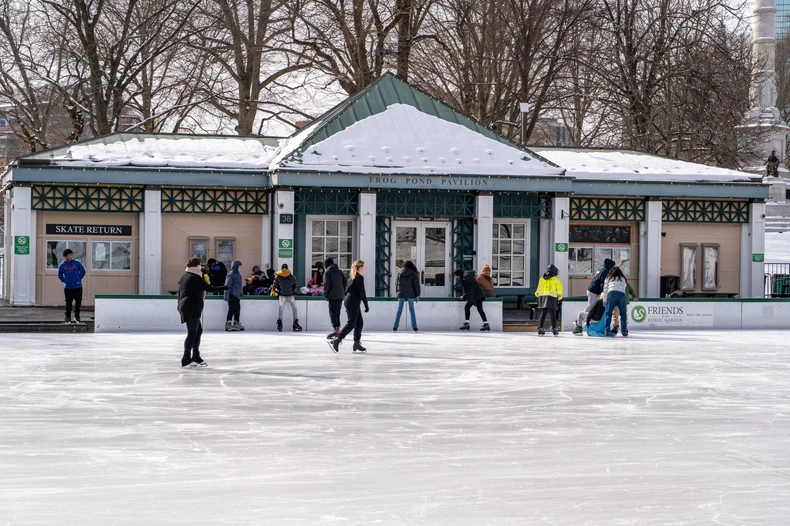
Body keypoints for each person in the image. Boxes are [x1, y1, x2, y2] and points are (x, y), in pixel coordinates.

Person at [177, 257, 227, 368]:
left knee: (198, 331)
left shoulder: (185, 276)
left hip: (188, 307)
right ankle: (186, 359)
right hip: (191, 307)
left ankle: (195, 356)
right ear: (196, 266)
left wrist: (179, 306)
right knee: (192, 332)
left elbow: (179, 293)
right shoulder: (194, 277)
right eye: (200, 265)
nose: (201, 267)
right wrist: (226, 287)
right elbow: (209, 288)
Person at [329, 260, 369, 353]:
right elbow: (362, 293)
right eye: (364, 266)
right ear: (360, 267)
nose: (365, 268)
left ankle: (356, 342)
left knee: (359, 323)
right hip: (353, 301)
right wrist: (366, 304)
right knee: (352, 323)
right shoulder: (359, 278)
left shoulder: (352, 277)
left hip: (351, 300)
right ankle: (337, 340)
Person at [574, 258, 615, 335]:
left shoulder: (602, 269)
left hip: (591, 290)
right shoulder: (605, 271)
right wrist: (601, 293)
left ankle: (578, 321)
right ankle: (578, 322)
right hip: (593, 291)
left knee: (590, 307)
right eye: (612, 266)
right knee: (591, 307)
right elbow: (602, 283)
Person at [58, 248, 87, 324]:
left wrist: (79, 278)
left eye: (71, 255)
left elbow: (83, 271)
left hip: (78, 286)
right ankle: (68, 317)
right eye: (69, 256)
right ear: (65, 256)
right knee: (68, 302)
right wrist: (65, 281)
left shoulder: (77, 263)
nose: (70, 257)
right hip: (68, 287)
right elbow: (60, 275)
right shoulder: (62, 265)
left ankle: (77, 315)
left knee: (78, 300)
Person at [535, 264, 564, 336]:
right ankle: (554, 329)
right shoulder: (556, 279)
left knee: (543, 314)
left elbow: (538, 290)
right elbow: (559, 290)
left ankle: (541, 328)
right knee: (552, 315)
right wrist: (560, 298)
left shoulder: (541, 279)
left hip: (542, 297)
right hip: (552, 298)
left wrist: (538, 296)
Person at [323, 257, 347, 339]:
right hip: (340, 295)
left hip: (332, 296)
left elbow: (327, 285)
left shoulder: (328, 272)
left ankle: (336, 329)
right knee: (337, 312)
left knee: (333, 313)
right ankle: (337, 328)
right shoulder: (339, 271)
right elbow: (345, 282)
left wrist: (325, 294)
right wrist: (342, 291)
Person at [393, 260, 420, 332]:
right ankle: (414, 326)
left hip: (401, 293)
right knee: (412, 310)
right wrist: (417, 294)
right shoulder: (413, 273)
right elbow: (416, 285)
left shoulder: (400, 272)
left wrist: (397, 293)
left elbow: (397, 284)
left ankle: (395, 326)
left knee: (399, 309)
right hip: (411, 294)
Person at [274, 263, 301, 331]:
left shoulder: (292, 277)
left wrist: (293, 291)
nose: (284, 270)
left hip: (290, 295)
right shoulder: (278, 277)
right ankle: (280, 322)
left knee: (294, 307)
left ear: (287, 269)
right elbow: (275, 286)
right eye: (283, 269)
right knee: (281, 308)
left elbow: (295, 285)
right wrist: (279, 291)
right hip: (282, 295)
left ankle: (295, 322)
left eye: (285, 269)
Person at [603, 266, 629, 337]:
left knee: (609, 313)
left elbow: (605, 290)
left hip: (611, 293)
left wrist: (604, 300)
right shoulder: (623, 279)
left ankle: (606, 331)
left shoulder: (609, 278)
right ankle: (624, 331)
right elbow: (624, 288)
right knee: (623, 314)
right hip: (621, 294)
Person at [224, 260, 244, 331]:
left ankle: (236, 322)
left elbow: (239, 286)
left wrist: (241, 292)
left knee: (237, 309)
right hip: (232, 295)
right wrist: (226, 296)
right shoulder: (231, 274)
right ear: (235, 267)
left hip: (237, 296)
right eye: (239, 267)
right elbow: (227, 285)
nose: (240, 268)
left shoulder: (239, 275)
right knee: (231, 309)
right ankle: (228, 324)